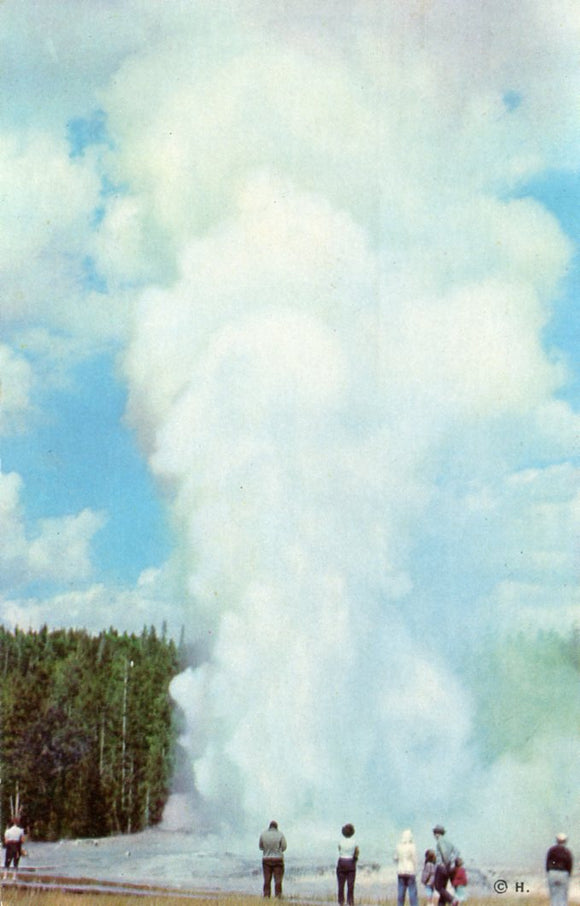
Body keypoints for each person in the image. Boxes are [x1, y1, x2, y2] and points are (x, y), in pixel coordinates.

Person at [259, 820, 287, 898]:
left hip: (266, 859)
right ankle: (278, 896)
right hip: (278, 859)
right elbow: (284, 847)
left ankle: (266, 896)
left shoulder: (263, 834)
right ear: (276, 827)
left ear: (269, 827)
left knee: (267, 880)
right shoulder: (280, 834)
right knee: (278, 880)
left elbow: (260, 847)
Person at [433, 825, 459, 906]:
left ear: (437, 833)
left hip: (441, 867)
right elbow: (457, 852)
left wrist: (445, 862)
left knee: (438, 887)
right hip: (449, 868)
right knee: (443, 888)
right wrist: (451, 861)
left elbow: (444, 853)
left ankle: (452, 900)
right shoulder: (449, 842)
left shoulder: (440, 841)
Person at [546, 833, 573, 906]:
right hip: (563, 874)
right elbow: (569, 865)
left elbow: (547, 863)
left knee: (554, 896)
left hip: (552, 873)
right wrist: (568, 875)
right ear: (565, 841)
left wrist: (549, 873)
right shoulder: (567, 852)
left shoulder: (551, 850)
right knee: (563, 896)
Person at [394, 829, 419, 906]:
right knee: (412, 892)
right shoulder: (412, 846)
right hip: (410, 870)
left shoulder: (398, 846)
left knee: (401, 892)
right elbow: (415, 859)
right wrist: (416, 869)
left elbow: (395, 858)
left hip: (400, 870)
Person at [337, 823, 359, 906]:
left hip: (342, 861)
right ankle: (350, 901)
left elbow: (339, 849)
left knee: (341, 884)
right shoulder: (354, 842)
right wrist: (355, 859)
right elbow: (357, 852)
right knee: (350, 885)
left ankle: (341, 901)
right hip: (350, 862)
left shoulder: (340, 841)